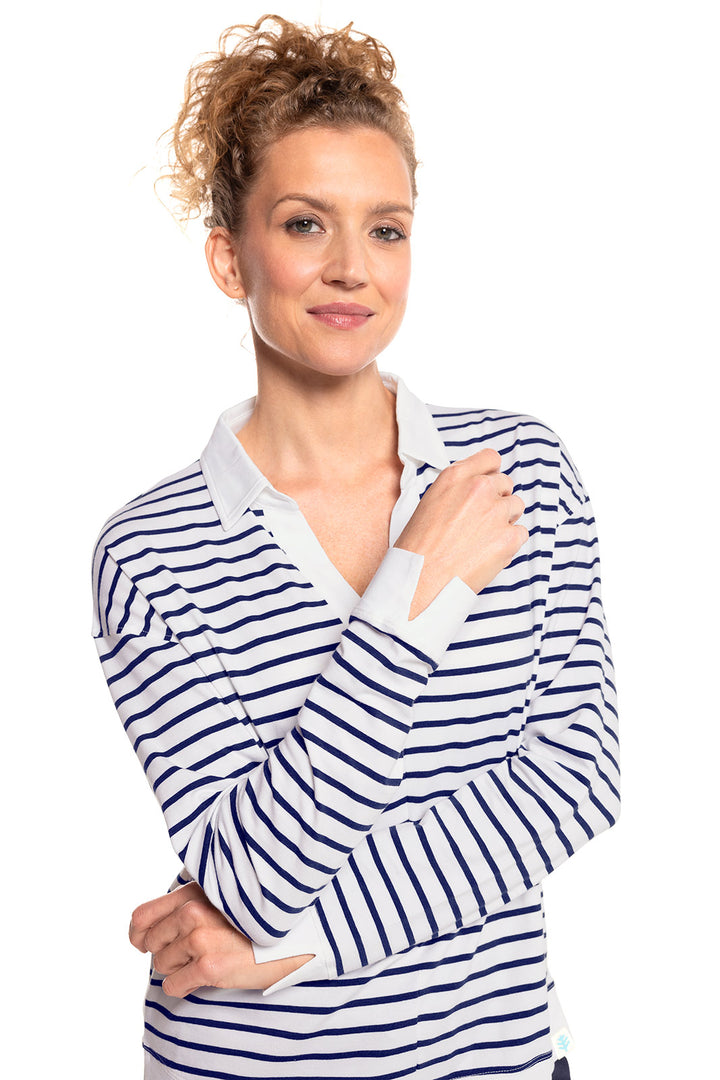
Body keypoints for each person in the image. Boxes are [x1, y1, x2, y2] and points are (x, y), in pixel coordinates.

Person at [92, 15, 619, 1080]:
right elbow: (251, 877)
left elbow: (577, 782)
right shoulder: (153, 551)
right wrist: (412, 598)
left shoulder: (516, 474)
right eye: (304, 224)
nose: (350, 270)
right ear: (229, 258)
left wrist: (289, 951)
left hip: (498, 1057)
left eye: (386, 229)